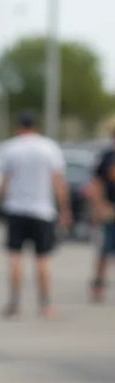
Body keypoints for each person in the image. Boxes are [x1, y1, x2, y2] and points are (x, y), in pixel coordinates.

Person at [0, 111, 71, 318]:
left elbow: (3, 183)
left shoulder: (10, 148)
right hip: (43, 210)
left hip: (16, 209)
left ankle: (14, 303)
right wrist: (64, 209)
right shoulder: (49, 147)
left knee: (15, 256)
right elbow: (58, 183)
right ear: (35, 126)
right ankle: (45, 304)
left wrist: (0, 202)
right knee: (43, 258)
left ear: (19, 126)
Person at [86, 130, 115, 303]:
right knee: (104, 251)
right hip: (109, 210)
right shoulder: (106, 158)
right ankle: (98, 285)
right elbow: (96, 184)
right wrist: (98, 207)